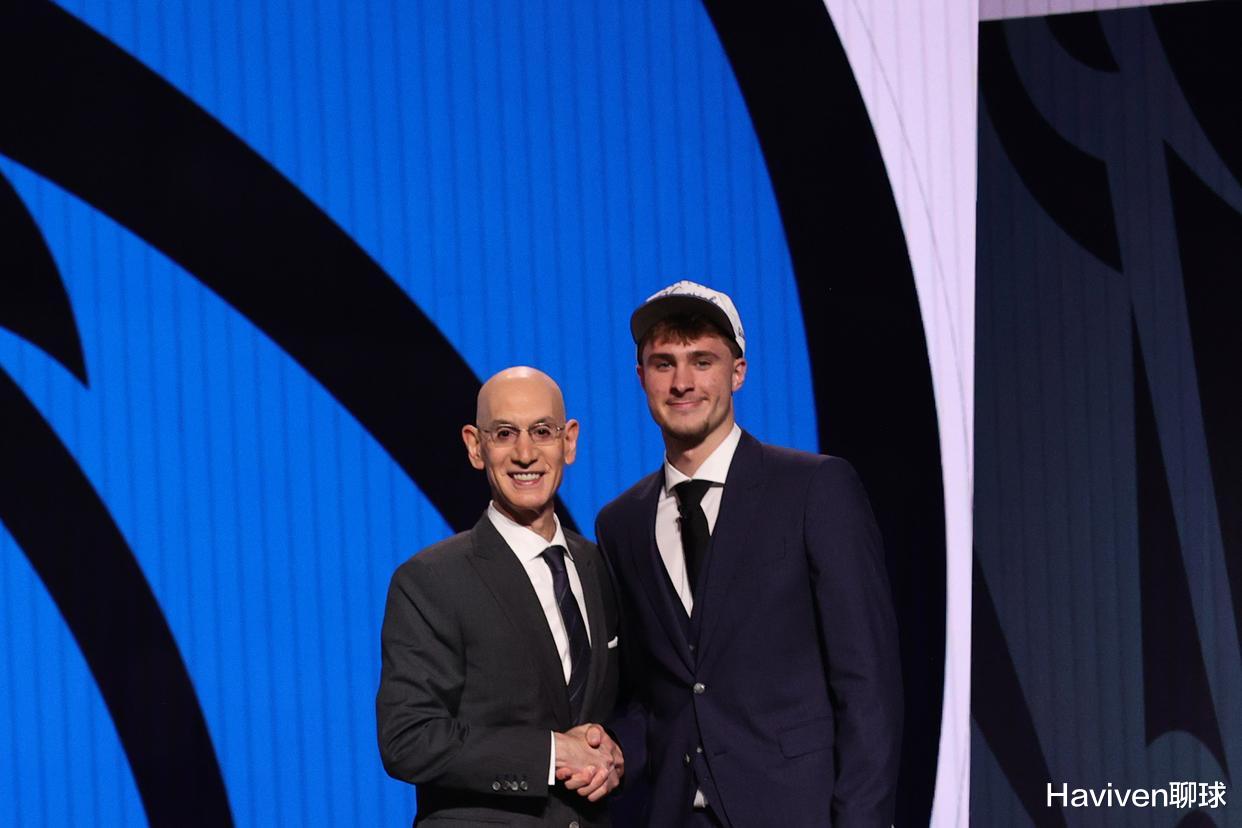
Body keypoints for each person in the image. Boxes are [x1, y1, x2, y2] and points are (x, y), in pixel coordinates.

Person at [596, 281, 902, 827]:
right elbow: (650, 696)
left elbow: (867, 686)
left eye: (702, 361)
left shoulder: (814, 490)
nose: (682, 382)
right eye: (664, 364)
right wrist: (611, 749)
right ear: (640, 376)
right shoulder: (621, 523)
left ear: (738, 372)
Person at [378, 366, 625, 826]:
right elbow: (409, 738)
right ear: (475, 446)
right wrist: (551, 754)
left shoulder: (600, 567)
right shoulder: (431, 580)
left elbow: (625, 708)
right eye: (505, 433)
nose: (525, 454)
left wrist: (614, 755)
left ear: (569, 441)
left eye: (542, 432)